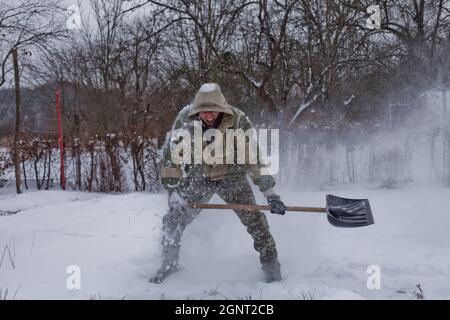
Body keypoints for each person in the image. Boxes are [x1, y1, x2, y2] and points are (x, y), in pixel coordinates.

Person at [150, 83, 287, 284]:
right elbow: (173, 156)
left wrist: (271, 194)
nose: (209, 116)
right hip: (199, 178)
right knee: (173, 219)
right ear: (197, 110)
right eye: (204, 112)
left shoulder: (238, 120)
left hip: (233, 179)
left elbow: (254, 159)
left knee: (257, 224)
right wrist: (172, 190)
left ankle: (272, 269)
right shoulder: (185, 119)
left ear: (222, 107)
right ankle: (168, 264)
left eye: (213, 111)